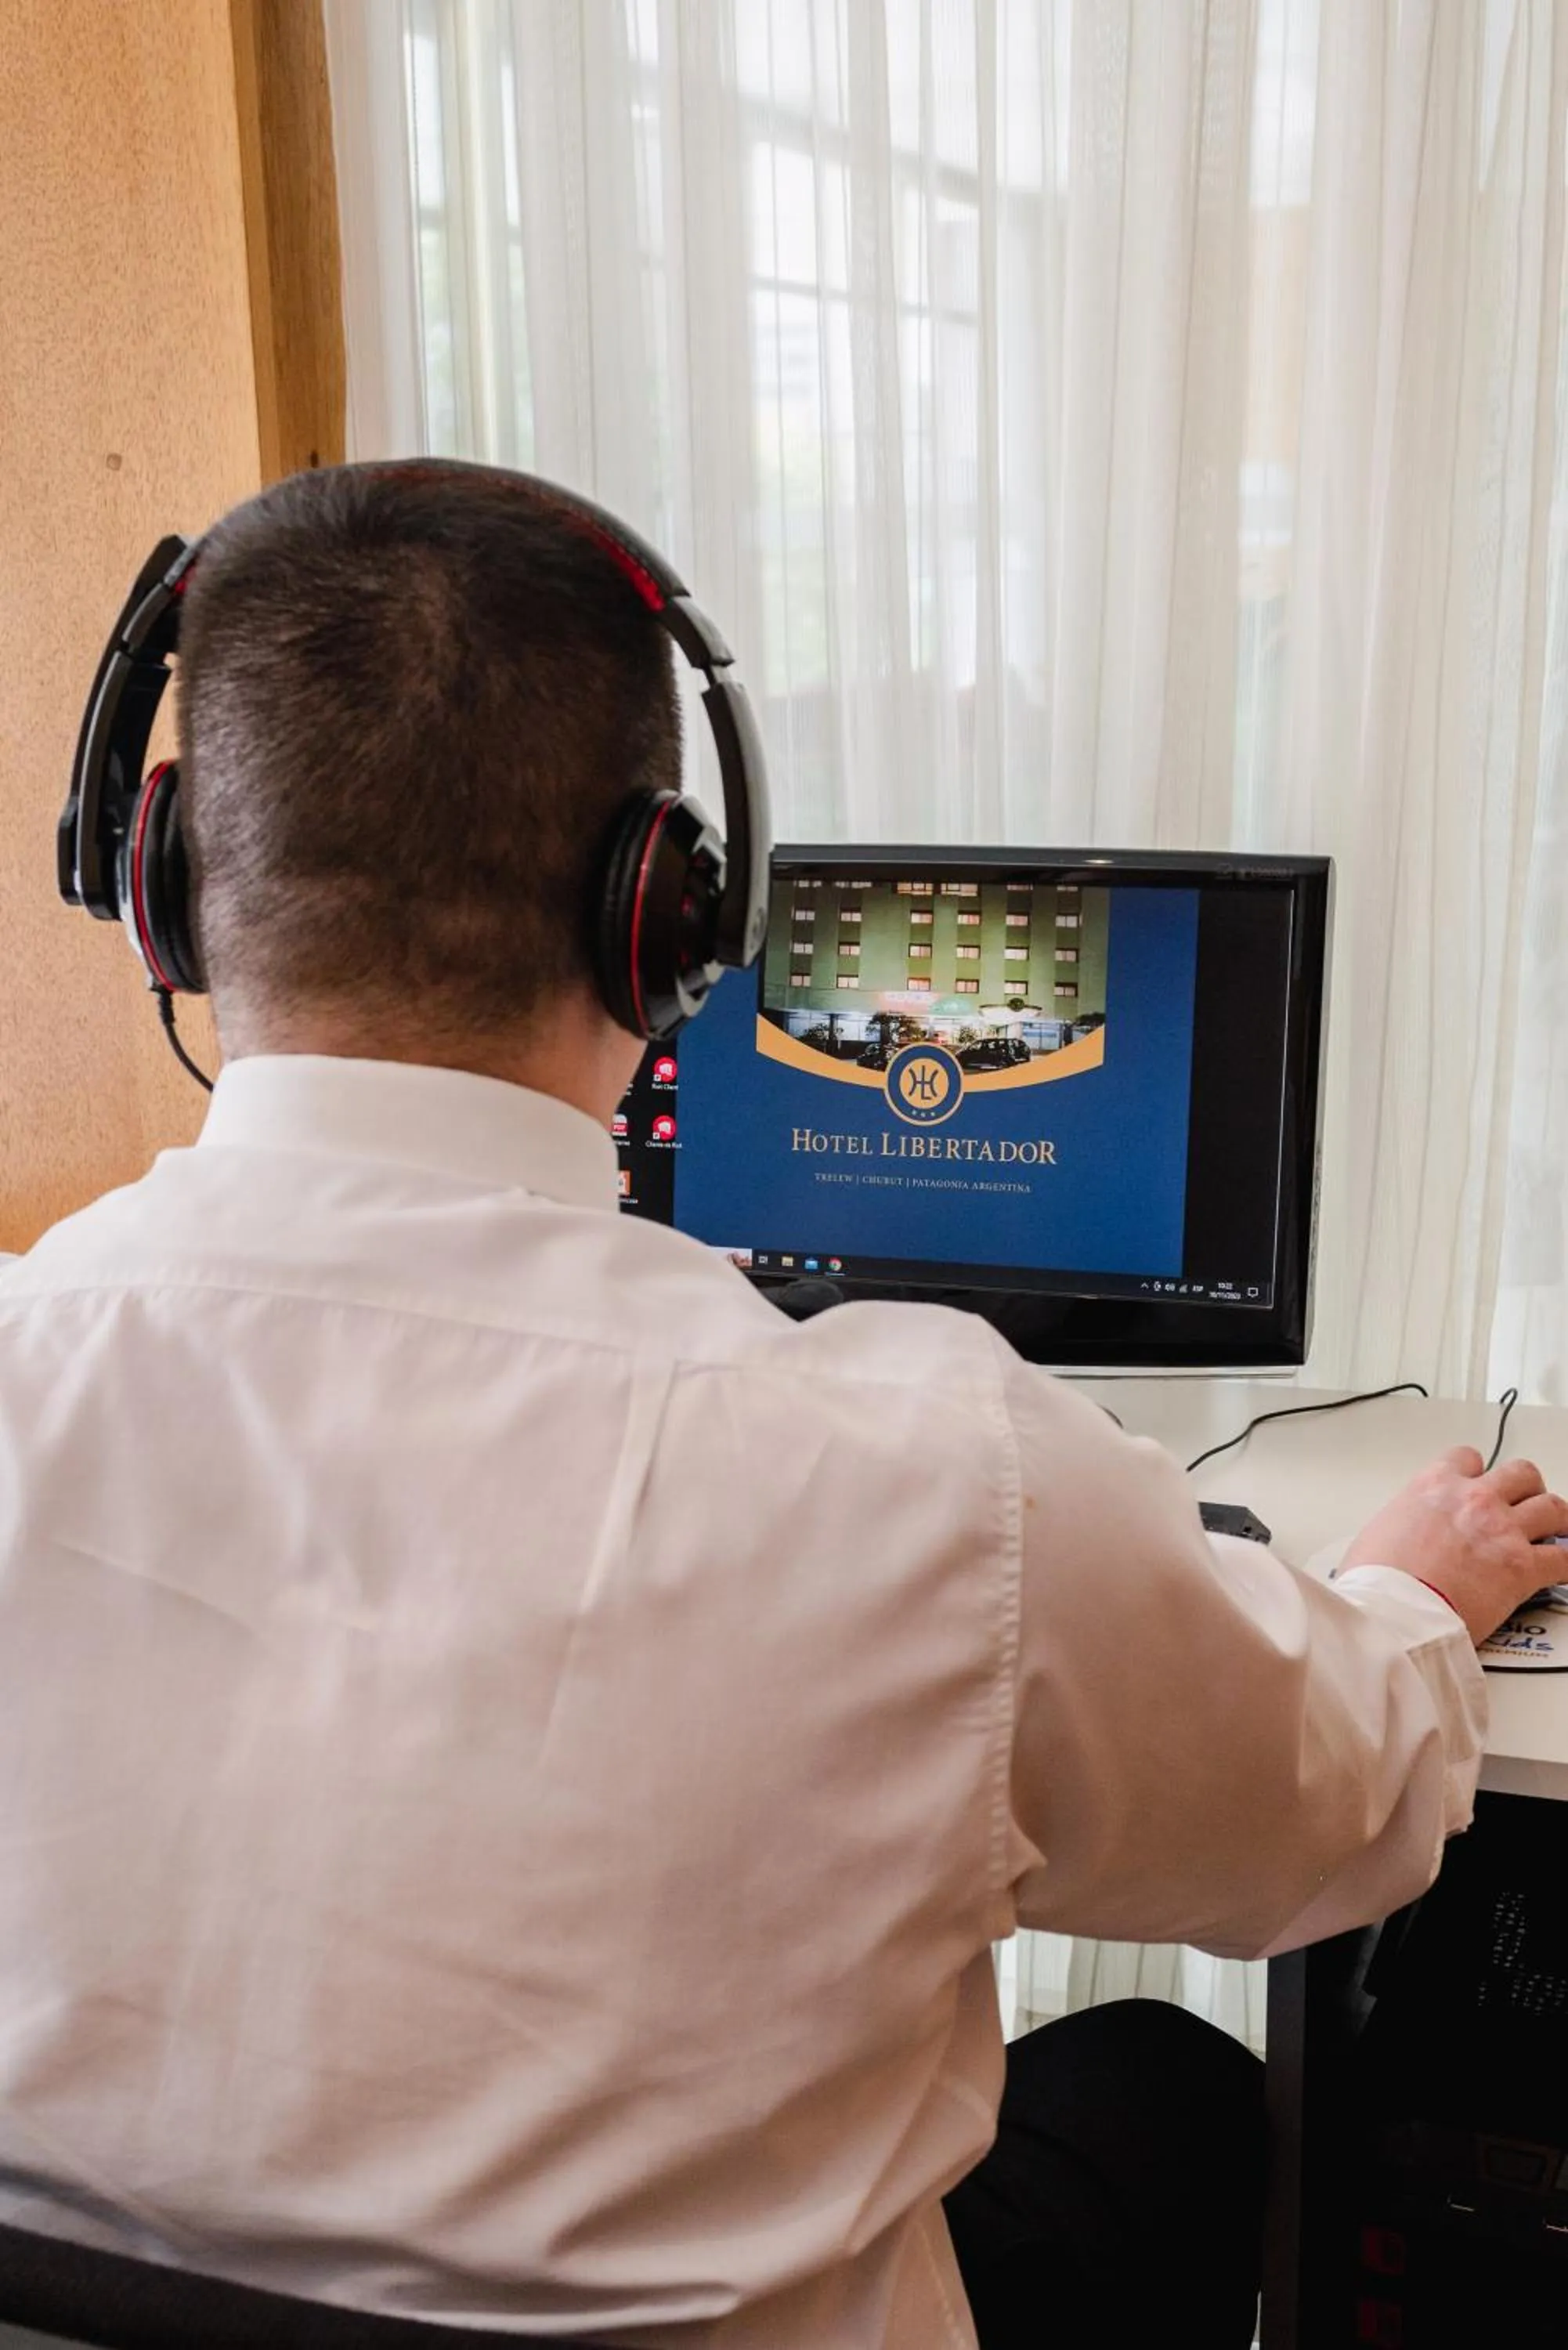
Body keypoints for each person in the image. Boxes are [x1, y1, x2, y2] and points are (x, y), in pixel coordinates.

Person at [0, 461, 1560, 2350]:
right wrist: (1409, 1600)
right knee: (1163, 2076)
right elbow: (1320, 1839)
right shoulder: (932, 1480)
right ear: (670, 906)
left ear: (152, 875)